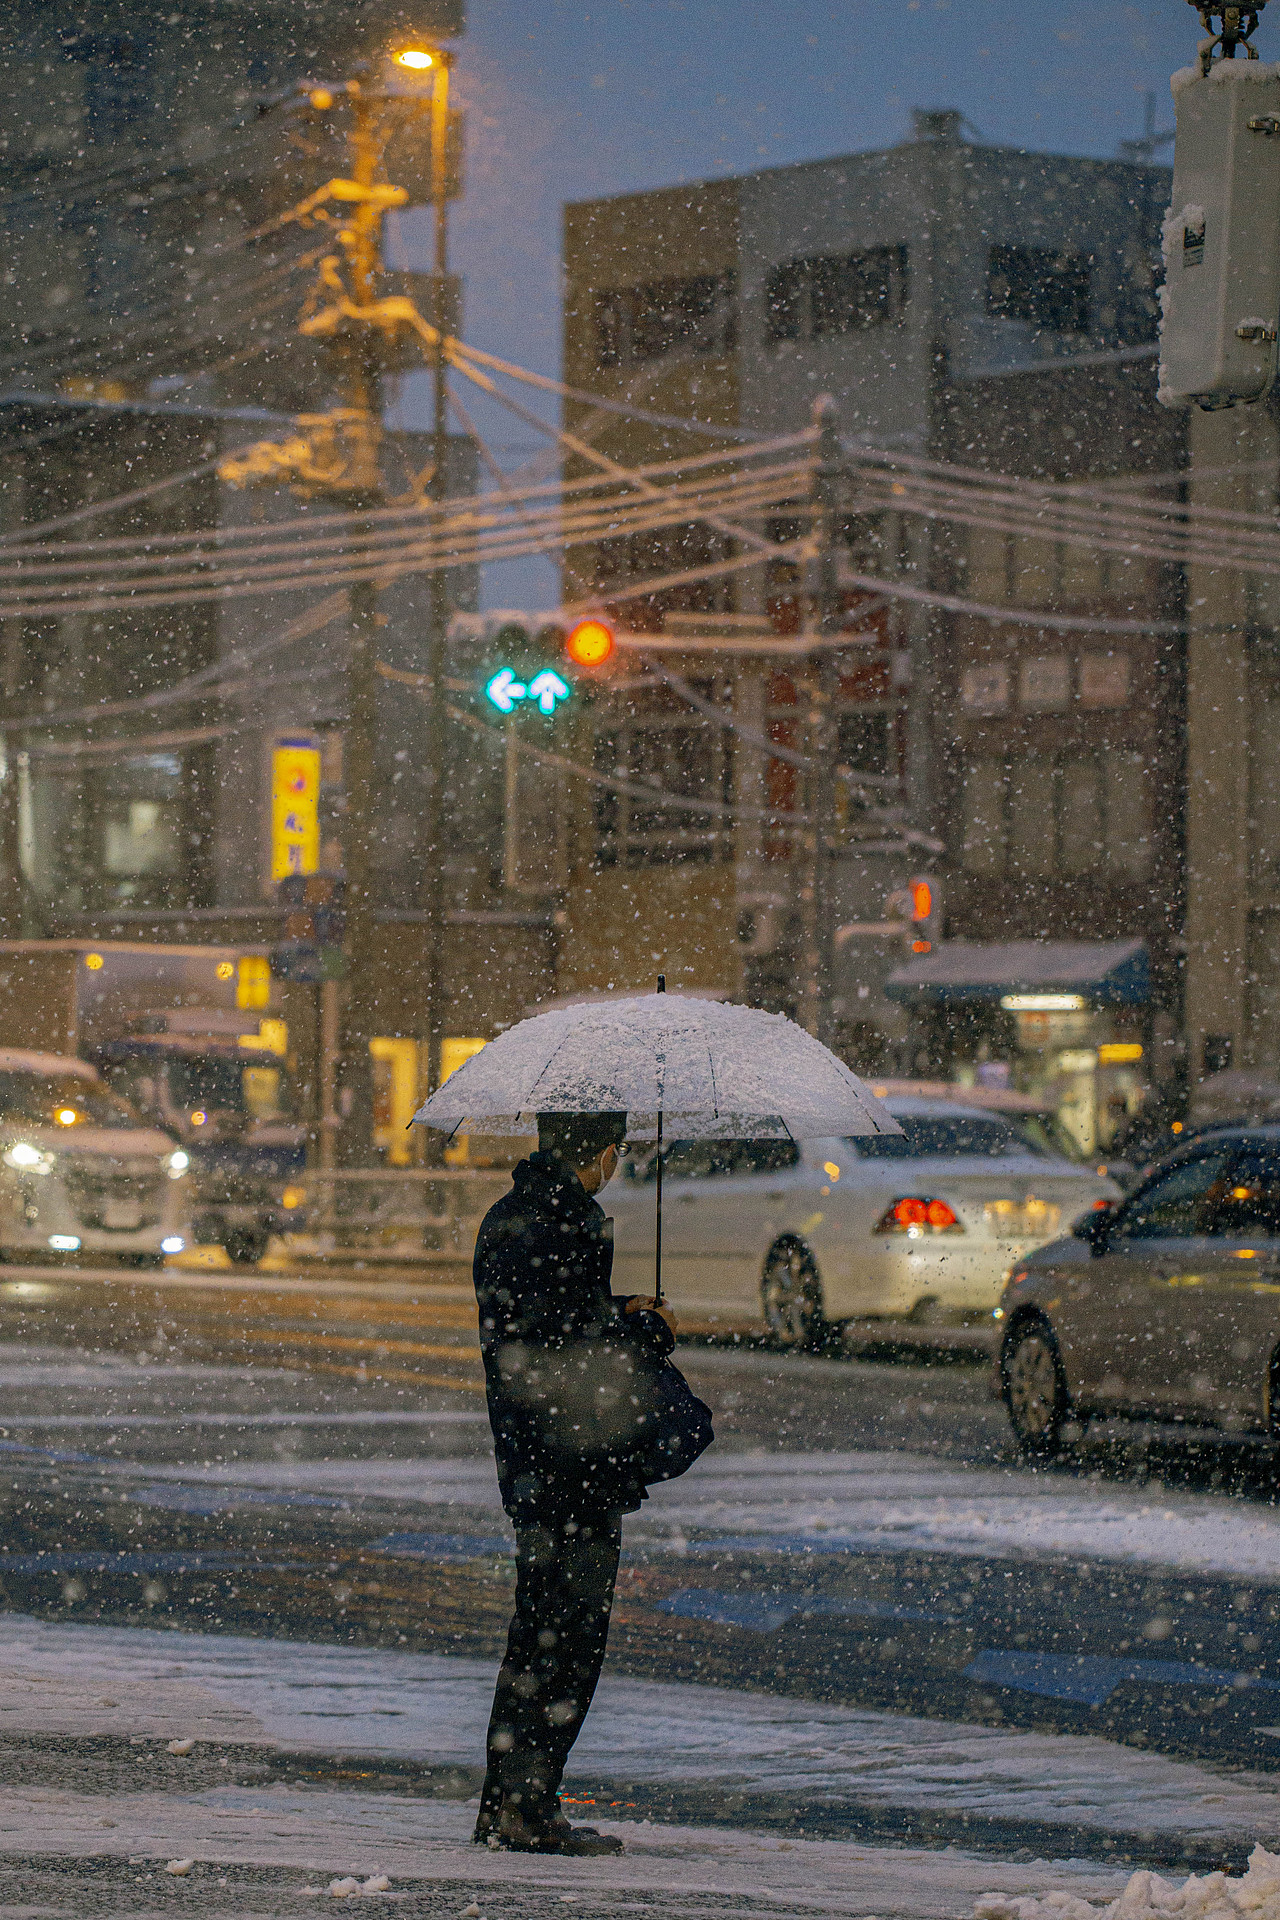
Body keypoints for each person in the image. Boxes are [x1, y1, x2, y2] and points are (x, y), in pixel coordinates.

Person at [471, 1109, 678, 1856]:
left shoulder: (513, 1216)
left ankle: (511, 1804)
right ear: (600, 1152)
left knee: (538, 1635)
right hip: (573, 1459)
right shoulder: (567, 1221)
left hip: (532, 1455)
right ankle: (526, 1809)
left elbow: (546, 1330)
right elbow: (575, 1351)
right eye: (615, 1151)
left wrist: (614, 1314)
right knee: (566, 1638)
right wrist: (644, 1333)